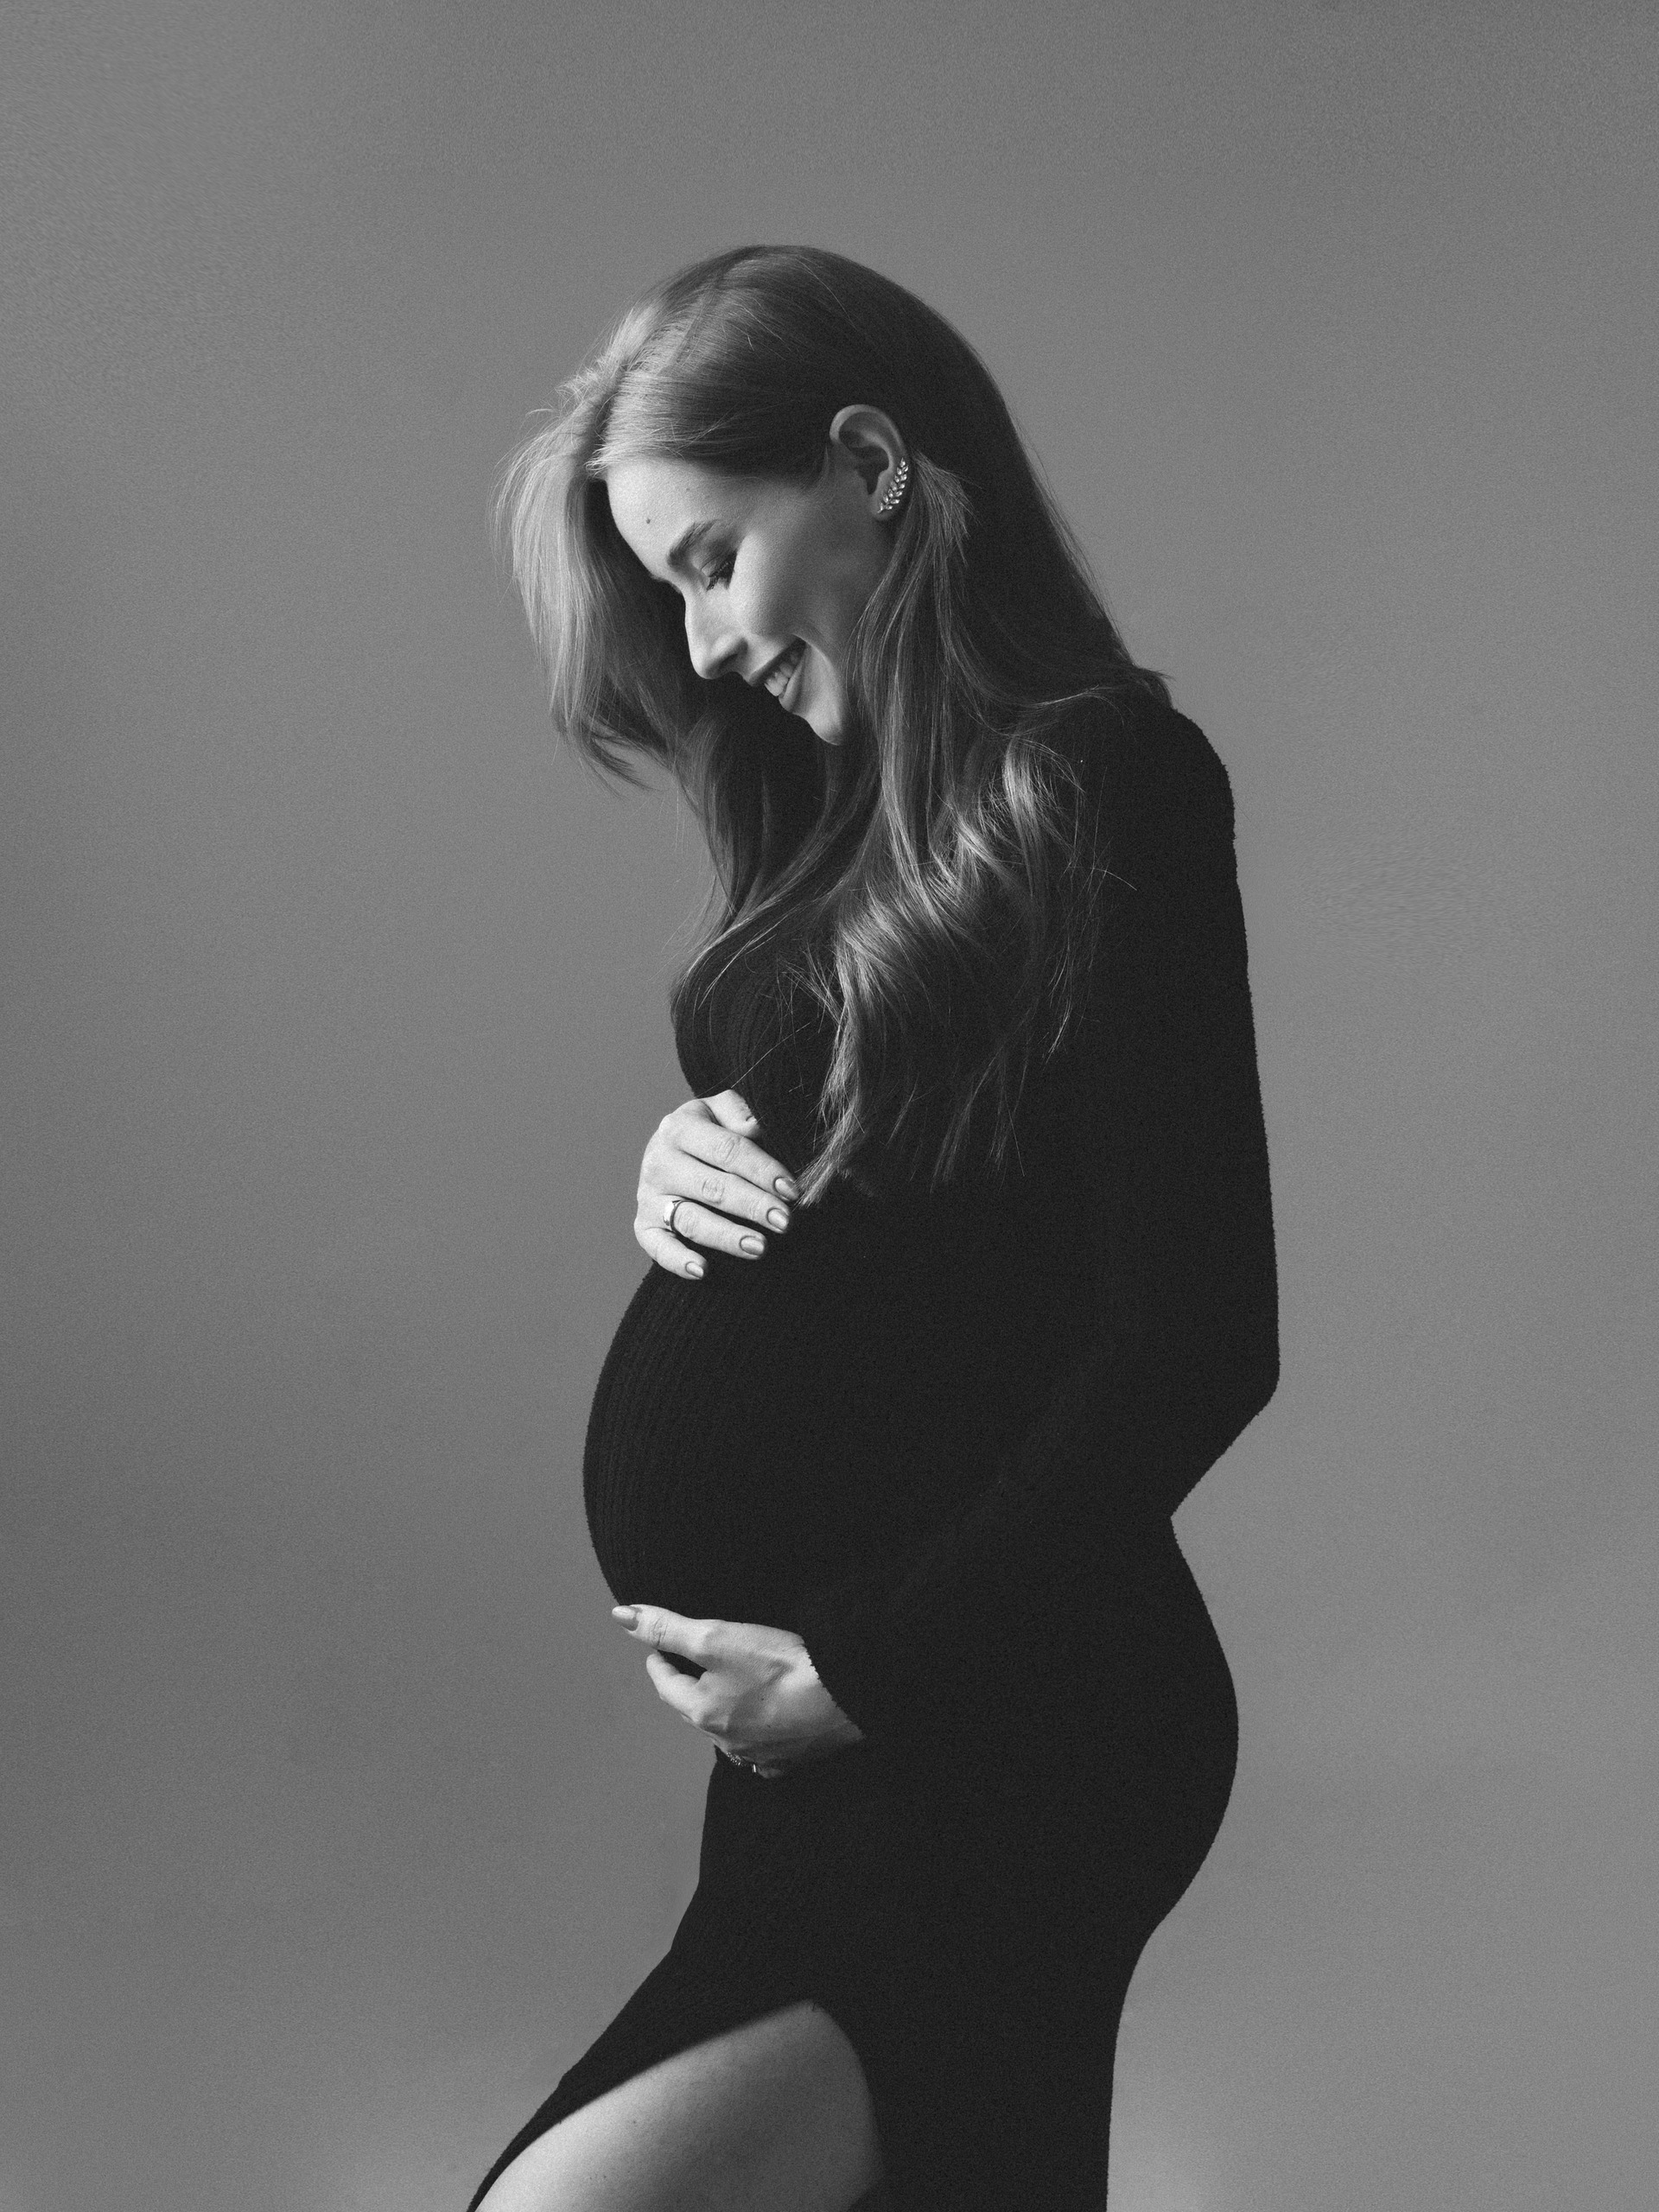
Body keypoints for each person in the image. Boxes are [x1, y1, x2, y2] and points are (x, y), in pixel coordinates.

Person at [469, 245, 1278, 2212]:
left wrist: (863, 1669)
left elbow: (1195, 1330)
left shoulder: (1107, 781)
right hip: (833, 1762)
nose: (701, 642)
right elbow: (905, 1194)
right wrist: (684, 1158)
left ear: (870, 465)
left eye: (709, 560)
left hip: (995, 1723)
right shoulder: (838, 819)